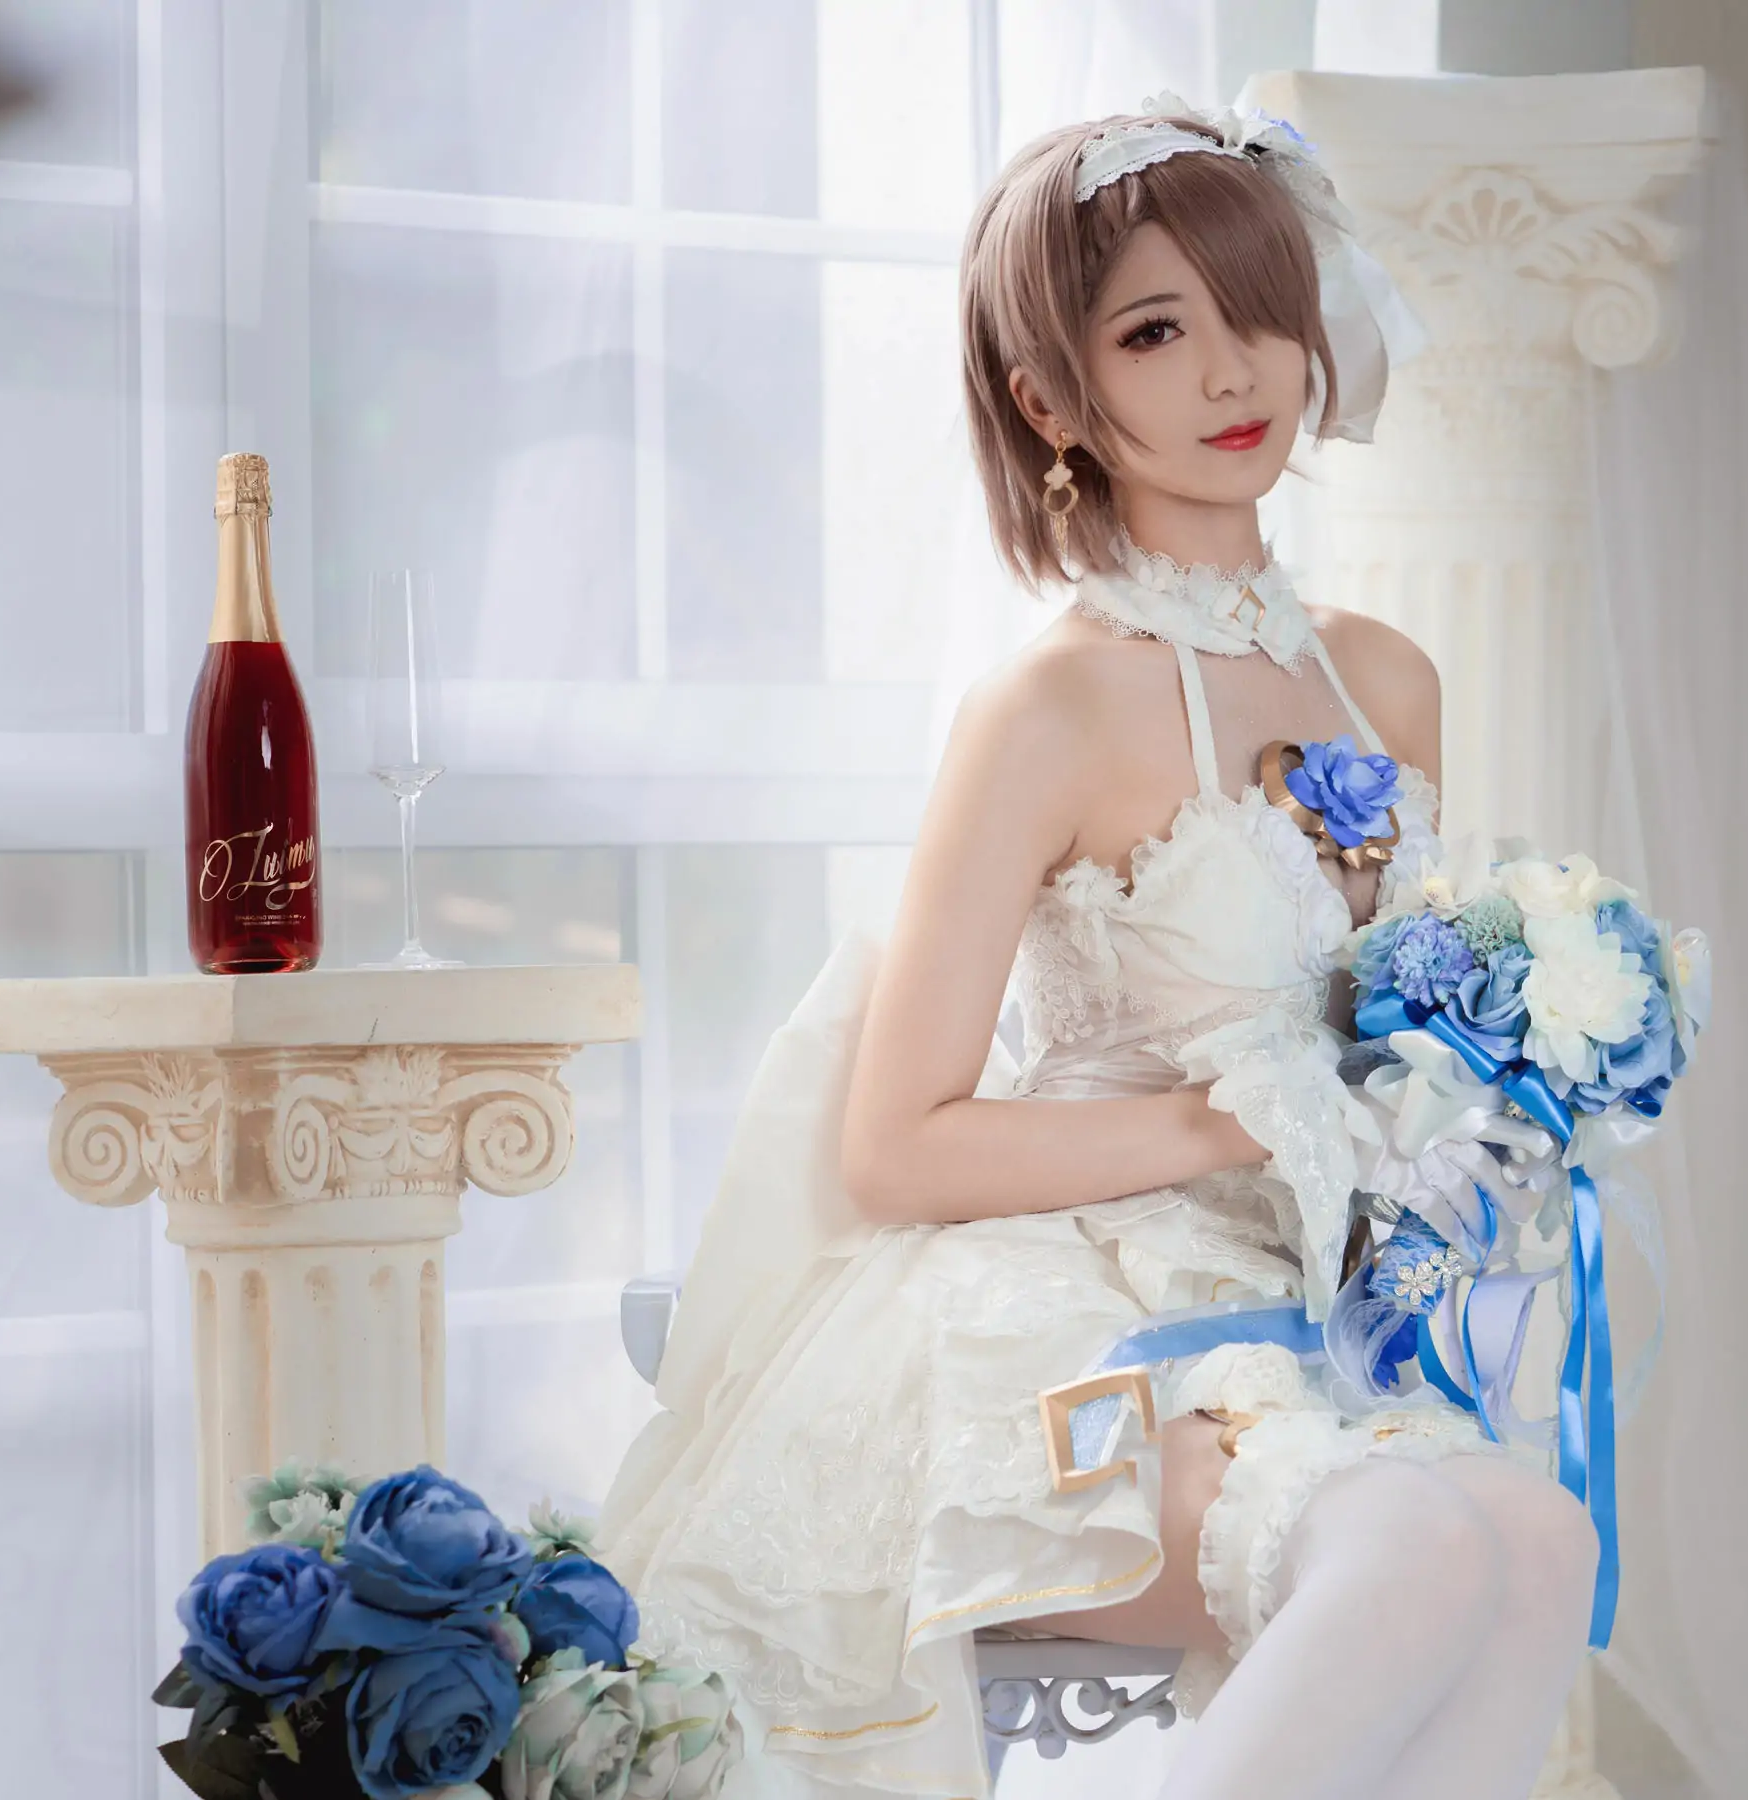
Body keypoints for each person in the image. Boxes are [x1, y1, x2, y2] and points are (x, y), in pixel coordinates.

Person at [600, 101, 1599, 1800]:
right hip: (1069, 1310)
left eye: (1261, 307)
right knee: (1422, 1549)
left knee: (1543, 1537)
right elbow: (897, 1143)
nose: (1235, 368)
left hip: (1313, 1311)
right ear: (1051, 401)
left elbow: (1409, 1040)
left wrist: (1496, 1090)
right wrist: (1229, 1119)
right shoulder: (1047, 709)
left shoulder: (1388, 681)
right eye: (1155, 331)